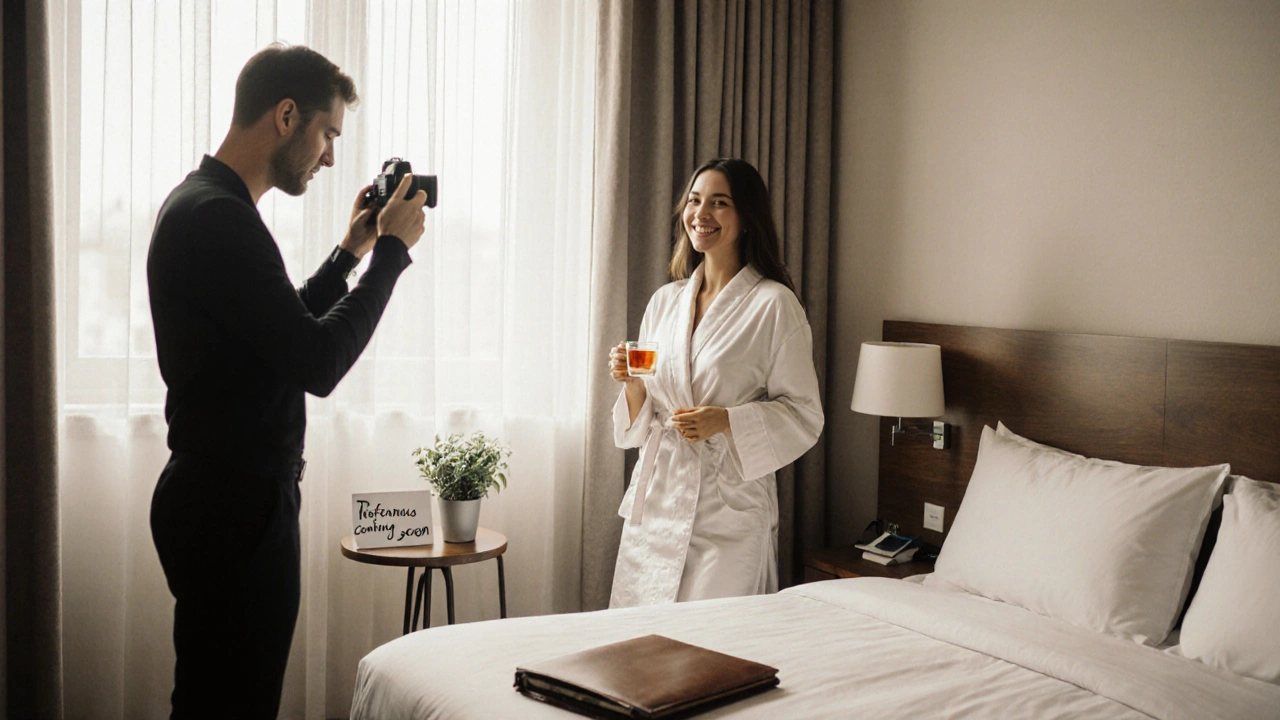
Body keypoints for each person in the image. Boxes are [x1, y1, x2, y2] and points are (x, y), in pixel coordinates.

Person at [146, 44, 426, 719]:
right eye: (328, 133)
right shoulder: (220, 219)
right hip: (235, 506)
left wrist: (349, 253)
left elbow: (278, 333)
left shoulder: (204, 204)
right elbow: (317, 361)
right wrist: (390, 256)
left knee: (217, 697)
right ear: (286, 114)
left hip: (219, 496)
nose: (330, 156)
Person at [607, 158, 824, 608]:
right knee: (639, 641)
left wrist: (725, 420)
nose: (701, 214)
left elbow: (804, 414)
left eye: (719, 203)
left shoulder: (774, 305)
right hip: (660, 499)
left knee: (711, 646)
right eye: (694, 200)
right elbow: (643, 417)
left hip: (728, 508)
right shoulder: (666, 301)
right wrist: (631, 383)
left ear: (747, 217)